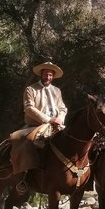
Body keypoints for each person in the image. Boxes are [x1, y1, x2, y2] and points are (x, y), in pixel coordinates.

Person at [12, 61, 68, 193]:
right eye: (46, 74)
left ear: (53, 77)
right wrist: (48, 119)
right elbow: (29, 108)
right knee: (29, 143)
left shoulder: (57, 91)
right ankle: (24, 177)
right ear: (41, 74)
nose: (48, 77)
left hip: (56, 125)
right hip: (35, 125)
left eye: (50, 75)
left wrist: (59, 119)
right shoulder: (31, 89)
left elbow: (62, 107)